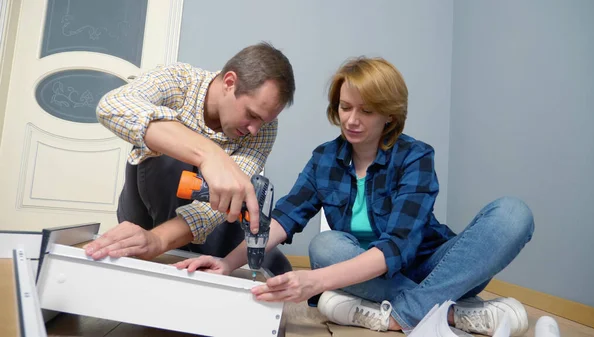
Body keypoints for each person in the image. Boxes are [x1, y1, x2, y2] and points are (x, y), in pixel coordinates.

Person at [174, 56, 535, 336]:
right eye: (346, 107)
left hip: (430, 267)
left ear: (390, 115)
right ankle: (453, 311)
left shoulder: (416, 156)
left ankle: (404, 314)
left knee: (513, 214)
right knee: (326, 246)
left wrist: (314, 283)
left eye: (367, 110)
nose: (352, 120)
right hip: (366, 274)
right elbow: (284, 218)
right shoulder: (325, 158)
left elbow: (398, 247)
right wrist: (227, 263)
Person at [83, 42, 295, 276]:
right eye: (252, 115)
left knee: (275, 264)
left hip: (207, 223)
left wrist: (158, 241)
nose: (255, 129)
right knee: (170, 153)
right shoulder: (177, 80)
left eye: (263, 121)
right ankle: (160, 248)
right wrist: (210, 155)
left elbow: (215, 209)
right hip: (147, 212)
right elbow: (111, 106)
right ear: (229, 83)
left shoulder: (263, 130)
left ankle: (176, 250)